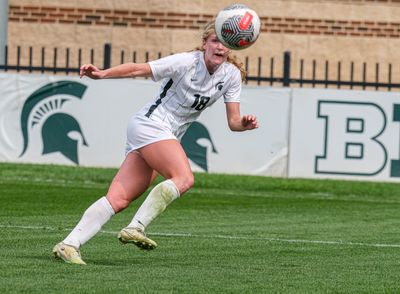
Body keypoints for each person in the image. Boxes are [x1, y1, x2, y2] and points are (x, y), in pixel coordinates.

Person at [52, 20, 259, 265]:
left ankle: (68, 244)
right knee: (184, 178)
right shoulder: (185, 62)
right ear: (204, 44)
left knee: (118, 199)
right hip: (150, 125)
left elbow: (233, 121)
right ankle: (136, 227)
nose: (219, 47)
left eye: (224, 43)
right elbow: (138, 69)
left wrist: (243, 125)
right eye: (214, 41)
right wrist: (102, 74)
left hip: (160, 134)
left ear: (232, 46)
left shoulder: (231, 75)